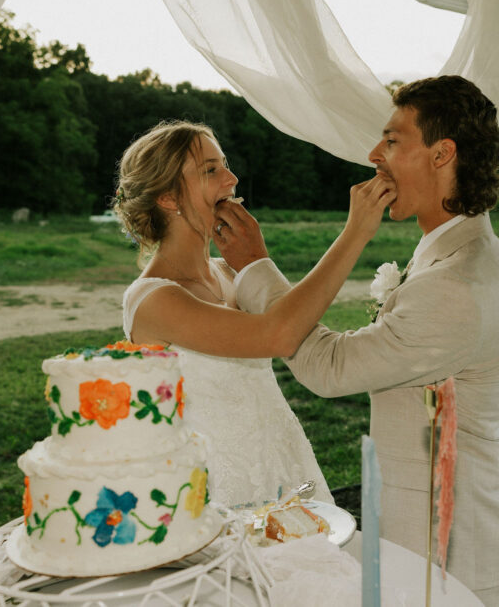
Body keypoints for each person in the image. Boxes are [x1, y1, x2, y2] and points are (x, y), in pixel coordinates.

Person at [216, 76, 499, 605]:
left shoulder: (455, 285)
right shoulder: (457, 252)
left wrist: (255, 266)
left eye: (392, 140)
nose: (373, 154)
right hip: (439, 534)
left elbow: (327, 367)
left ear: (442, 154)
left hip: (448, 546)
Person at [113, 120, 395, 508]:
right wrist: (356, 232)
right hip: (214, 491)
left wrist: (257, 261)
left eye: (225, 164)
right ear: (167, 197)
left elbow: (298, 323)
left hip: (282, 468)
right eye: (211, 170)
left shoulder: (227, 272)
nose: (232, 178)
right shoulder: (154, 300)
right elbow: (278, 335)